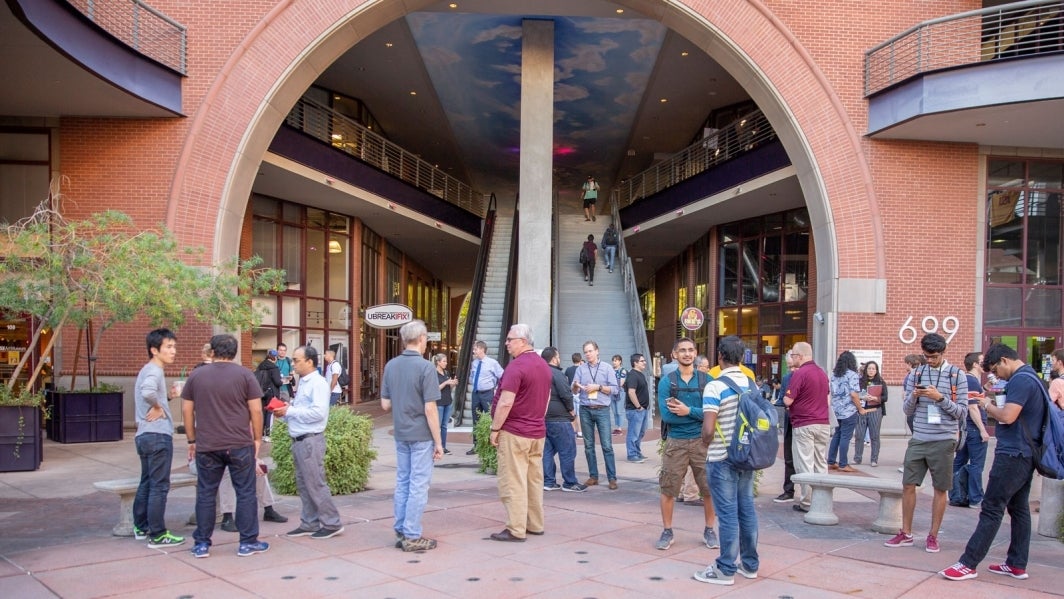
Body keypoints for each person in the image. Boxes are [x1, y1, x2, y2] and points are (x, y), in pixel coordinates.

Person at [940, 343, 1046, 581]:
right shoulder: (1032, 377)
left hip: (1013, 454)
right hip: (1025, 454)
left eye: (996, 371)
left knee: (991, 507)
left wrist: (985, 403)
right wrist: (989, 393)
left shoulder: (1021, 380)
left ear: (1005, 361)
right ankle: (1017, 564)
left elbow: (1008, 415)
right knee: (1018, 509)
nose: (996, 376)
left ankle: (968, 563)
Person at [181, 334, 269, 558]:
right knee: (246, 492)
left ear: (212, 351)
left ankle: (201, 543)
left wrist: (192, 440)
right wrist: (257, 439)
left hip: (207, 444)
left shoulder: (197, 375)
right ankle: (248, 542)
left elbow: (186, 410)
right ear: (235, 352)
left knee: (206, 493)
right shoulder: (245, 375)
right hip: (239, 443)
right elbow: (256, 410)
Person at [885, 333, 967, 553]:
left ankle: (932, 536)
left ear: (943, 352)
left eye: (934, 356)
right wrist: (914, 396)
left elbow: (962, 412)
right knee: (908, 484)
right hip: (919, 437)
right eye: (926, 356)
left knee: (941, 488)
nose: (930, 360)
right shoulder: (917, 373)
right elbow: (907, 410)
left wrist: (939, 397)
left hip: (943, 439)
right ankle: (906, 532)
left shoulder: (957, 375)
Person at [695, 335, 758, 585]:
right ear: (742, 359)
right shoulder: (752, 384)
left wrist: (705, 443)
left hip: (721, 458)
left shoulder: (715, 385)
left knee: (728, 514)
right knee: (747, 510)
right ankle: (750, 565)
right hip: (746, 456)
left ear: (720, 357)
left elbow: (709, 428)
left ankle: (725, 569)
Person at [380, 320, 444, 552]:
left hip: (401, 432)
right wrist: (439, 442)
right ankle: (412, 534)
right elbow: (430, 408)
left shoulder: (391, 366)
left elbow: (385, 404)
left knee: (403, 481)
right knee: (419, 484)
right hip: (421, 434)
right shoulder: (426, 368)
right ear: (420, 339)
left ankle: (401, 527)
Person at [487, 324, 553, 542]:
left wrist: (495, 429)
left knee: (513, 480)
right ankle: (534, 524)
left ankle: (516, 528)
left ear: (523, 341)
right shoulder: (543, 366)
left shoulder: (516, 367)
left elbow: (505, 402)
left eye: (510, 339)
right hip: (537, 432)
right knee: (534, 480)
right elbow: (546, 400)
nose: (506, 343)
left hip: (515, 432)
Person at [272, 345, 344, 539]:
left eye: (296, 360)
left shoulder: (318, 383)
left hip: (310, 440)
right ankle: (310, 522)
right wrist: (286, 411)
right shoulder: (304, 382)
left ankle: (331, 523)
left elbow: (319, 413)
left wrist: (290, 411)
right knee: (304, 484)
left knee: (315, 483)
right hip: (300, 439)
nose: (293, 363)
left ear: (309, 362)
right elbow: (303, 410)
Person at [655, 338, 717, 551]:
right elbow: (668, 417)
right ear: (674, 354)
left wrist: (688, 411)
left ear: (695, 352)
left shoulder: (707, 380)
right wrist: (699, 415)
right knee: (668, 488)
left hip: (702, 443)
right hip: (676, 442)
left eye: (690, 350)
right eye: (682, 350)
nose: (687, 354)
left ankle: (710, 529)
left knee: (709, 489)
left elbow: (713, 414)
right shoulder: (667, 382)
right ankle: (667, 530)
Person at [132, 328, 185, 548]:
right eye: (169, 347)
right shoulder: (154, 370)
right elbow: (147, 392)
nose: (173, 351)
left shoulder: (148, 369)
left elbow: (150, 394)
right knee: (159, 486)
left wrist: (167, 398)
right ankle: (158, 534)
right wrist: (156, 405)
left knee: (147, 482)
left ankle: (141, 526)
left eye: (174, 346)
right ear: (154, 350)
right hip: (157, 436)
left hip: (144, 435)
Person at [783, 341, 830, 513]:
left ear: (801, 356)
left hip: (804, 424)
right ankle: (823, 500)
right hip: (823, 423)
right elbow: (827, 398)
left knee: (805, 464)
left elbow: (787, 400)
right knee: (820, 464)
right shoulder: (822, 373)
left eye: (794, 355)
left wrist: (788, 403)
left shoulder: (800, 373)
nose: (792, 358)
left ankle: (807, 502)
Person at [572, 340, 620, 489]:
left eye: (590, 351)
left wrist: (598, 387)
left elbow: (615, 389)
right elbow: (574, 391)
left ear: (597, 351)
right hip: (585, 408)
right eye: (585, 352)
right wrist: (575, 386)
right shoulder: (580, 369)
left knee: (606, 445)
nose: (588, 354)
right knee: (588, 445)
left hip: (602, 409)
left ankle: (612, 478)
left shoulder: (606, 368)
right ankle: (593, 476)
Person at [541, 347, 585, 492]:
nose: (559, 358)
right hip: (560, 418)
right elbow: (566, 394)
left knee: (547, 451)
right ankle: (570, 482)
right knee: (567, 451)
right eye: (558, 356)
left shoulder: (540, 373)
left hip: (544, 418)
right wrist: (572, 411)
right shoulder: (557, 373)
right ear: (554, 358)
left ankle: (549, 481)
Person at [949, 352, 990, 508]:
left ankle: (956, 495)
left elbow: (972, 400)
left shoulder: (966, 380)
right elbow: (972, 407)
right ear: (975, 364)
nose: (984, 363)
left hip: (964, 427)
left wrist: (985, 389)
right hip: (973, 427)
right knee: (976, 464)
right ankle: (976, 498)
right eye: (982, 361)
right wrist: (983, 430)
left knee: (959, 461)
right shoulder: (971, 381)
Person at [218, 458, 288, 532]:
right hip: (224, 457)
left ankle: (268, 510)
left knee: (260, 467)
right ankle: (227, 517)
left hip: (242, 455)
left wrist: (254, 459)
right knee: (228, 470)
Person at [826, 351, 866, 473]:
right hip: (849, 411)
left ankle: (831, 461)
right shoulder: (852, 375)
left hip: (837, 410)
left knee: (837, 435)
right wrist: (860, 408)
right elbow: (854, 394)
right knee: (845, 437)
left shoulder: (834, 375)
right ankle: (843, 463)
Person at [467, 340, 504, 455]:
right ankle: (476, 445)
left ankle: (490, 443)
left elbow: (503, 376)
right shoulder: (475, 363)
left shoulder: (492, 363)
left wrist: (497, 389)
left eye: (475, 349)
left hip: (487, 393)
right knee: (476, 419)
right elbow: (473, 375)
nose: (474, 351)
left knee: (489, 418)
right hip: (476, 393)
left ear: (482, 349)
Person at [773, 351, 799, 503]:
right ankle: (788, 490)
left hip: (803, 421)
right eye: (789, 367)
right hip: (790, 420)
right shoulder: (786, 378)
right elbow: (782, 398)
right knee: (789, 457)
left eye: (794, 366)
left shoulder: (807, 376)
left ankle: (808, 493)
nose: (792, 370)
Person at [853, 360, 887, 466]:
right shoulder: (860, 381)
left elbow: (885, 397)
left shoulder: (881, 382)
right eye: (869, 368)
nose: (871, 371)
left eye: (873, 369)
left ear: (876, 371)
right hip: (862, 410)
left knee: (874, 436)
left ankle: (874, 459)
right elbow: (854, 394)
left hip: (875, 411)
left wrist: (875, 398)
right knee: (859, 435)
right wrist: (862, 397)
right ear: (866, 370)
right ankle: (857, 458)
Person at [624, 353, 650, 463]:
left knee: (640, 433)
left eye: (644, 361)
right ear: (635, 363)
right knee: (633, 433)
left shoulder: (640, 374)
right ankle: (632, 454)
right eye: (642, 361)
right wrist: (638, 406)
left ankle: (637, 452)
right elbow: (631, 392)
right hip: (635, 410)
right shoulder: (633, 375)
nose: (644, 362)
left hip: (642, 409)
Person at [255, 349, 283, 443]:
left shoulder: (260, 366)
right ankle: (268, 434)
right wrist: (283, 381)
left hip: (261, 392)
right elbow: (277, 382)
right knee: (270, 413)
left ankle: (262, 434)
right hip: (272, 393)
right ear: (274, 358)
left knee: (263, 412)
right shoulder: (274, 368)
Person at [433, 353, 457, 455]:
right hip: (439, 402)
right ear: (438, 362)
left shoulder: (446, 372)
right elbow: (435, 389)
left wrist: (452, 384)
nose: (446, 363)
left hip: (448, 401)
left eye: (446, 361)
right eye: (444, 361)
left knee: (444, 426)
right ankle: (435, 446)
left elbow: (449, 388)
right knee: (437, 425)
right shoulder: (433, 373)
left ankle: (443, 446)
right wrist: (446, 383)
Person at [565, 352, 584, 438]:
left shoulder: (568, 369)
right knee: (579, 414)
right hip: (580, 393)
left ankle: (573, 431)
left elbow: (566, 380)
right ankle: (580, 432)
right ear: (580, 360)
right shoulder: (582, 369)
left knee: (572, 413)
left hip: (571, 393)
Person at [610, 354, 628, 435]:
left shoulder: (622, 370)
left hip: (620, 392)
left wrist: (611, 383)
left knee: (619, 411)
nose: (614, 362)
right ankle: (616, 427)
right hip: (612, 392)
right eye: (613, 360)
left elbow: (621, 383)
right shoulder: (610, 370)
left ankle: (619, 428)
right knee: (614, 411)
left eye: (615, 360)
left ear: (620, 361)